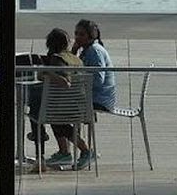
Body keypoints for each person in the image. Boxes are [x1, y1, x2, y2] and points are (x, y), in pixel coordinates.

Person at [65, 18, 115, 171]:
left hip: (99, 98)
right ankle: (68, 151)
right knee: (55, 110)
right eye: (76, 34)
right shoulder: (87, 50)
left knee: (56, 112)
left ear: (91, 36)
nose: (77, 37)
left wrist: (77, 80)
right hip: (89, 96)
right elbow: (71, 66)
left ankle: (82, 151)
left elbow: (98, 80)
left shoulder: (94, 51)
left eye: (81, 34)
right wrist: (74, 51)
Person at [33, 28, 83, 169]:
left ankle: (84, 149)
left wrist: (46, 73)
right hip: (79, 104)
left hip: (65, 107)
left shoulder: (57, 59)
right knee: (52, 116)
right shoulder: (74, 58)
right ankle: (64, 152)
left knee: (38, 112)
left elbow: (65, 82)